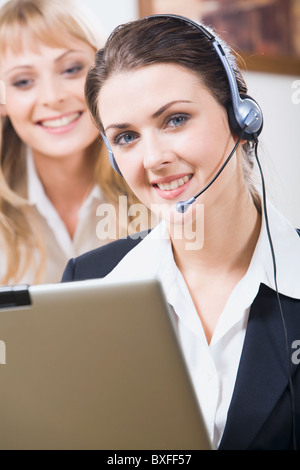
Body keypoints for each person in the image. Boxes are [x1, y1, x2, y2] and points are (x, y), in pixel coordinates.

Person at [62, 15, 300, 450]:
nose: (153, 159)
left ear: (241, 119)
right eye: (127, 136)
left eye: (175, 120)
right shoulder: (88, 283)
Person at [0, 0, 150, 285]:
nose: (52, 97)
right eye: (22, 82)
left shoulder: (159, 177)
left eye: (70, 69)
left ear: (103, 76)